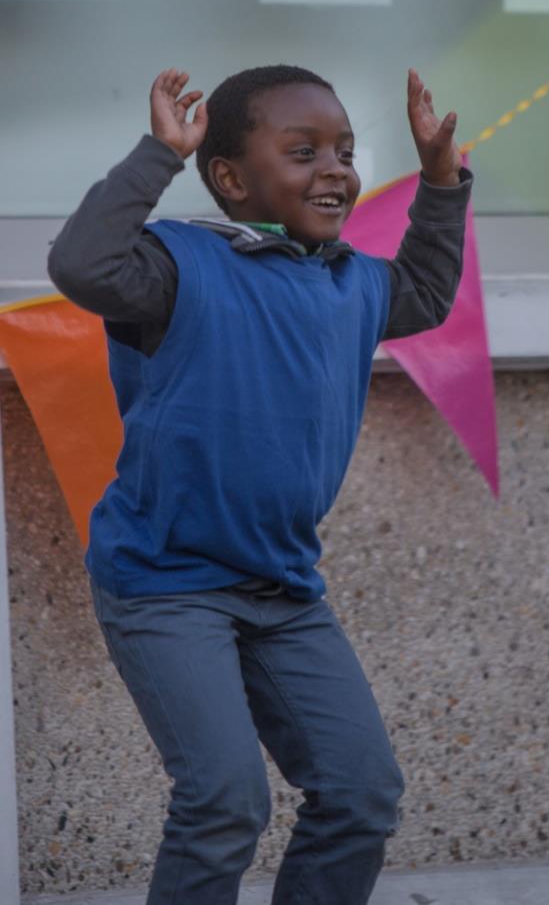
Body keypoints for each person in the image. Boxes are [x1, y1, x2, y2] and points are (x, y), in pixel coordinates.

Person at [48, 64, 472, 905]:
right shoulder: (177, 267)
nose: (335, 170)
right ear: (232, 178)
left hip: (283, 588)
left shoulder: (351, 279)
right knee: (223, 801)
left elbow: (425, 288)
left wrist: (437, 180)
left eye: (345, 151)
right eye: (304, 150)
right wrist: (158, 157)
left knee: (360, 791)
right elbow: (83, 263)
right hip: (167, 584)